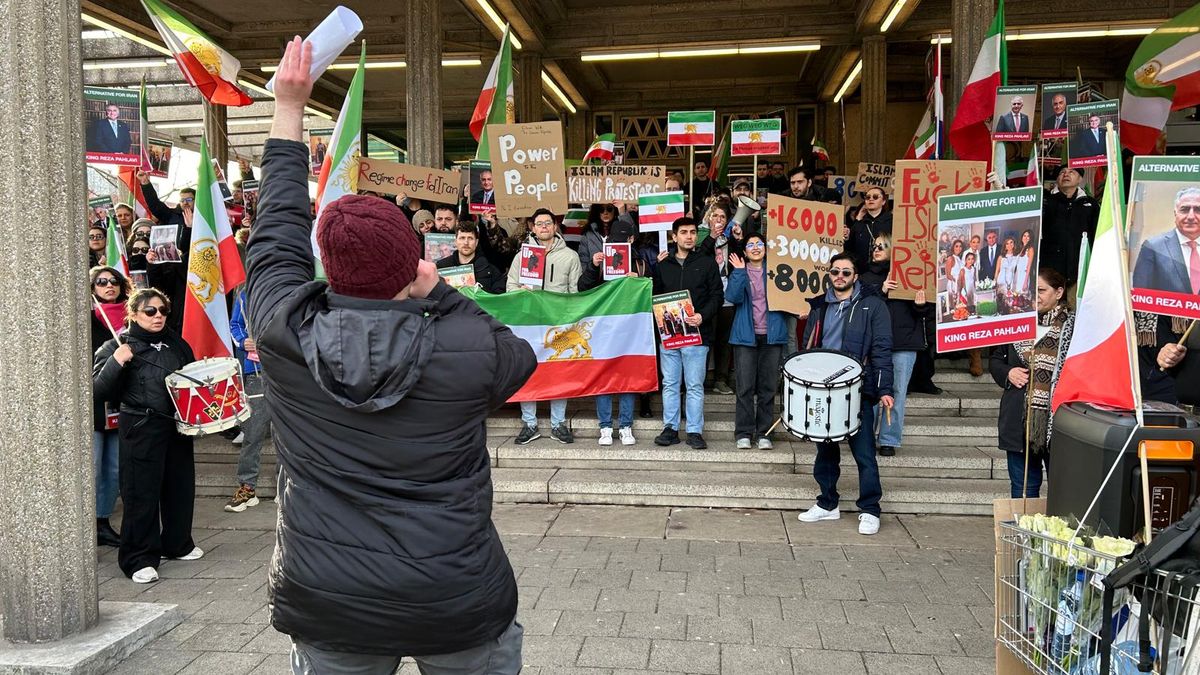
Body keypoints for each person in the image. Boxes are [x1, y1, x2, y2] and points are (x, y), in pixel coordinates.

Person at [245, 38, 534, 673]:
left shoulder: (282, 333)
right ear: (416, 263)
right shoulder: (464, 343)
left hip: (328, 597)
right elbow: (519, 357)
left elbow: (275, 233)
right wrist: (447, 296)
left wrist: (288, 108)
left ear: (330, 268)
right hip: (454, 597)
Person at [92, 288, 203, 583]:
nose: (158, 316)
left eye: (163, 311)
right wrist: (117, 362)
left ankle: (177, 544)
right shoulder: (115, 345)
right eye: (150, 311)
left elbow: (191, 380)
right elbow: (97, 391)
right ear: (134, 314)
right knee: (141, 493)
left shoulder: (176, 343)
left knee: (179, 488)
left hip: (176, 426)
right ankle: (138, 558)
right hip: (140, 427)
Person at [797, 253, 894, 536]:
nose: (840, 276)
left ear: (855, 276)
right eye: (835, 271)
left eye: (846, 272)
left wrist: (885, 389)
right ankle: (827, 504)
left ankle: (870, 509)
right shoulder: (819, 305)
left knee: (864, 454)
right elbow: (809, 346)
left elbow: (882, 349)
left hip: (857, 388)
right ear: (829, 274)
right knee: (824, 452)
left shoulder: (873, 306)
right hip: (822, 388)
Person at [989, 268, 1075, 498]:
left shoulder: (1074, 327)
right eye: (1031, 290)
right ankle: (1023, 533)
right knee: (1022, 489)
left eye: (1041, 290)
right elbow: (995, 360)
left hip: (1057, 421)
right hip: (1019, 420)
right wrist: (1008, 373)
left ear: (1059, 292)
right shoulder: (1015, 322)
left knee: (1063, 489)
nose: (1035, 295)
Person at [507, 208, 582, 445]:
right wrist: (520, 291)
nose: (544, 227)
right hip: (529, 323)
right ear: (532, 228)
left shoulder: (570, 256)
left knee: (558, 372)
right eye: (539, 224)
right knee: (527, 371)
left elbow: (575, 293)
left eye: (548, 223)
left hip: (558, 324)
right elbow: (510, 287)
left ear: (555, 226)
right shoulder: (521, 256)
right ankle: (529, 424)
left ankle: (558, 424)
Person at [652, 217, 723, 450]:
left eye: (693, 232)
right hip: (670, 336)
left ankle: (694, 431)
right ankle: (670, 428)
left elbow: (717, 296)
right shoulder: (662, 266)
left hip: (697, 335)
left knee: (694, 385)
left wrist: (703, 315)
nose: (689, 236)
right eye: (683, 232)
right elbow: (654, 298)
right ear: (674, 237)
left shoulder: (707, 263)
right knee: (671, 384)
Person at [859, 235, 931, 457]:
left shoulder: (911, 273)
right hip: (874, 344)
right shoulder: (864, 277)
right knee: (870, 391)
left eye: (882, 246)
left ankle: (889, 439)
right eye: (874, 246)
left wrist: (920, 305)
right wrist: (881, 291)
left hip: (904, 342)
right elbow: (859, 307)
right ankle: (866, 437)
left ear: (894, 250)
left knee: (897, 392)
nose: (876, 249)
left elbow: (924, 312)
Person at [579, 219, 647, 446]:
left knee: (627, 375)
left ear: (631, 239)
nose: (617, 245)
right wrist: (593, 266)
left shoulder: (640, 262)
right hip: (603, 328)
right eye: (613, 241)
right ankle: (605, 426)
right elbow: (583, 289)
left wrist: (640, 280)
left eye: (622, 241)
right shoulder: (601, 260)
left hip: (630, 330)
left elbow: (653, 290)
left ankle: (626, 426)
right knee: (604, 376)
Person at [725, 233, 788, 449]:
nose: (755, 247)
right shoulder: (740, 271)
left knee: (768, 386)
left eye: (759, 244)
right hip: (745, 336)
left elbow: (790, 297)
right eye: (750, 245)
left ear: (766, 248)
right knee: (744, 387)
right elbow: (732, 297)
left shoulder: (776, 271)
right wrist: (740, 272)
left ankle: (764, 433)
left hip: (772, 335)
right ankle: (743, 432)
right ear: (744, 251)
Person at [89, 266, 130, 548]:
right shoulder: (87, 318)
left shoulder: (132, 320)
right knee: (91, 465)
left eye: (114, 281)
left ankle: (102, 521)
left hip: (119, 404)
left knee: (113, 468)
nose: (108, 286)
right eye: (101, 282)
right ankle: (84, 522)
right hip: (92, 404)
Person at [224, 288, 274, 513]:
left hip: (289, 372)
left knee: (287, 435)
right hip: (255, 372)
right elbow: (235, 325)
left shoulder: (293, 288)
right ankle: (247, 488)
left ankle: (286, 489)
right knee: (253, 434)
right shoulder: (245, 294)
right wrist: (244, 342)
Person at [697, 203, 737, 395]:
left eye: (722, 216)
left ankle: (721, 379)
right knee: (705, 338)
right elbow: (698, 258)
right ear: (708, 219)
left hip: (728, 297)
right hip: (707, 297)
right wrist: (712, 236)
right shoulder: (701, 237)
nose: (718, 220)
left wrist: (737, 239)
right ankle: (700, 378)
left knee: (724, 340)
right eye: (715, 216)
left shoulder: (732, 238)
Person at [1132, 186, 1200, 295]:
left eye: (1198, 210)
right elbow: (1142, 297)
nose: (1191, 216)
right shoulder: (1152, 247)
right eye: (1185, 209)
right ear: (1175, 213)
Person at [1040, 167, 1097, 286]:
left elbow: (1096, 236)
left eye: (1071, 172)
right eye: (1062, 172)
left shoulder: (1090, 204)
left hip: (1079, 272)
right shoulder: (1044, 200)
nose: (1066, 174)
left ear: (1080, 178)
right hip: (1049, 273)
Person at [438, 222, 505, 294]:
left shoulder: (491, 271)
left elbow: (498, 299)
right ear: (455, 241)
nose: (466, 242)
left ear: (476, 242)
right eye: (462, 238)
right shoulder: (441, 267)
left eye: (470, 238)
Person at [845, 186, 892, 269]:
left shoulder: (892, 222)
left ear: (883, 201)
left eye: (875, 197)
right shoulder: (858, 224)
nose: (871, 199)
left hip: (885, 273)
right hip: (861, 274)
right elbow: (849, 250)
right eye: (867, 197)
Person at [578, 202, 620, 269]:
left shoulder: (621, 231)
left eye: (609, 209)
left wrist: (623, 212)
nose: (605, 212)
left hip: (618, 276)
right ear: (597, 211)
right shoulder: (588, 234)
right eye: (601, 209)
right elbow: (583, 260)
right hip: (594, 277)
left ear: (615, 210)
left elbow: (633, 234)